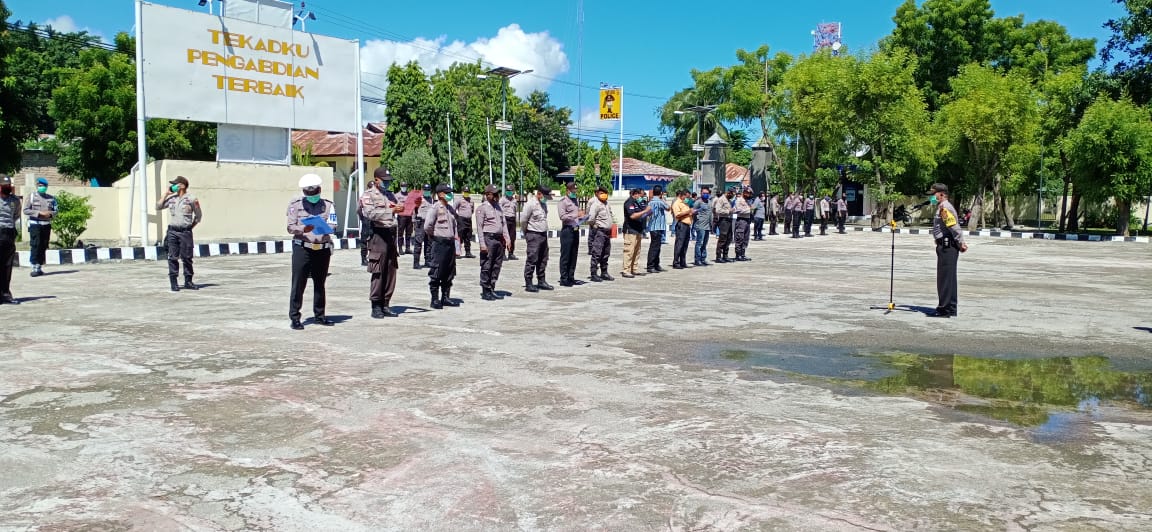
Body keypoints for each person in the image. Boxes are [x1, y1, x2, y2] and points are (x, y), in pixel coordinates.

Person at [286, 173, 337, 330]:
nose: (312, 196)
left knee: (320, 283)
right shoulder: (295, 205)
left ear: (319, 190)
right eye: (309, 193)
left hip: (321, 249)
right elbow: (290, 226)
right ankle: (295, 317)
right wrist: (303, 228)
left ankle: (320, 315)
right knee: (298, 283)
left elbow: (334, 224)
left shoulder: (328, 205)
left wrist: (325, 228)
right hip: (303, 247)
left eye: (314, 193)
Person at [361, 167, 403, 319]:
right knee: (378, 271)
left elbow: (398, 208)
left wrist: (403, 207)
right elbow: (370, 214)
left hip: (391, 234)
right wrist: (391, 211)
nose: (387, 183)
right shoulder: (368, 195)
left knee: (391, 271)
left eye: (389, 181)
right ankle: (376, 306)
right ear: (376, 180)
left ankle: (386, 303)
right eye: (384, 181)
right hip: (378, 235)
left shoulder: (390, 195)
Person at [157, 176, 203, 292]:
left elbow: (198, 216)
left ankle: (188, 281)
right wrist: (166, 194)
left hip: (185, 232)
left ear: (182, 185)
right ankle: (174, 282)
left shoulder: (192, 199)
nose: (173, 186)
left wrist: (189, 228)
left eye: (175, 184)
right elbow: (158, 207)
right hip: (172, 231)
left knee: (187, 258)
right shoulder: (172, 198)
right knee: (172, 257)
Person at [928, 183, 968, 318]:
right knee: (949, 278)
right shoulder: (942, 207)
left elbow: (953, 226)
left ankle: (944, 309)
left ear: (941, 194)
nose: (932, 197)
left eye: (933, 194)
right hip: (946, 245)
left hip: (947, 247)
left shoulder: (944, 207)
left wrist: (961, 242)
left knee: (944, 278)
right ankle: (951, 308)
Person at [424, 184, 460, 309]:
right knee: (436, 271)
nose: (450, 195)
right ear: (440, 194)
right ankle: (434, 299)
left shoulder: (450, 209)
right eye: (447, 192)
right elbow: (428, 226)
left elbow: (455, 227)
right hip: (439, 243)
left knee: (449, 272)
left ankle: (445, 298)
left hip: (450, 244)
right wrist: (434, 237)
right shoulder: (435, 208)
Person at [476, 185, 510, 300]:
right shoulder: (482, 208)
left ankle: (492, 288)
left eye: (497, 194)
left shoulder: (499, 208)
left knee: (496, 265)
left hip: (498, 239)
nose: (496, 196)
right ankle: (485, 290)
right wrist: (482, 244)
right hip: (488, 239)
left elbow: (504, 224)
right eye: (494, 194)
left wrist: (508, 239)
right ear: (488, 194)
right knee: (487, 265)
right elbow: (479, 228)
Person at [520, 184, 554, 292]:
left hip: (543, 234)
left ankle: (541, 280)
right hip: (533, 234)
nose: (546, 199)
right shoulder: (530, 204)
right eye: (545, 196)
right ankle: (528, 282)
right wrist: (527, 234)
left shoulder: (543, 204)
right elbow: (523, 221)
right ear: (539, 194)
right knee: (532, 259)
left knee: (543, 259)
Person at [23, 177, 57, 277]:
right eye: (39, 185)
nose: (41, 187)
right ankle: (34, 266)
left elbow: (56, 210)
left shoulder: (51, 198)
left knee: (43, 245)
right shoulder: (32, 197)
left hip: (46, 225)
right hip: (35, 225)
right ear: (37, 186)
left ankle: (40, 266)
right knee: (35, 244)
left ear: (46, 187)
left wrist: (50, 214)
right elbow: (26, 210)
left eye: (43, 186)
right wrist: (39, 213)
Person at [557, 181, 585, 287]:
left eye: (575, 191)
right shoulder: (562, 202)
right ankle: (564, 278)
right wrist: (575, 215)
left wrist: (582, 216)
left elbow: (576, 215)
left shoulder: (575, 201)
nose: (574, 193)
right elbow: (562, 216)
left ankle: (571, 276)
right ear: (568, 191)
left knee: (574, 255)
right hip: (567, 230)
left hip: (575, 229)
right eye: (573, 191)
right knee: (566, 255)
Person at [621, 188, 652, 278]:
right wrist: (645, 211)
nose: (641, 197)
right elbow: (633, 216)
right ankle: (626, 270)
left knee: (636, 251)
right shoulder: (629, 202)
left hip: (638, 230)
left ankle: (634, 269)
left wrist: (647, 211)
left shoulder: (637, 202)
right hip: (630, 230)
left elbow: (643, 211)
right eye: (640, 195)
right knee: (629, 251)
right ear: (635, 194)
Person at [586, 186, 615, 282]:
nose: (603, 195)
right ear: (597, 194)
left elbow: (610, 215)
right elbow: (590, 219)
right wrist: (595, 226)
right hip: (600, 231)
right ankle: (594, 273)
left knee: (606, 253)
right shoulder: (595, 204)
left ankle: (604, 272)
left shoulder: (607, 204)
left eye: (605, 193)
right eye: (601, 193)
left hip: (607, 232)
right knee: (597, 253)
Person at [0, 175, 21, 305]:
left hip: (9, 233)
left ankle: (5, 294)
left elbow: (16, 215)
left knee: (7, 265)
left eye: (8, 185)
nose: (7, 187)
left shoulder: (15, 200)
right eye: (4, 185)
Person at [645, 186, 669, 274]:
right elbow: (668, 208)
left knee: (656, 247)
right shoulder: (659, 201)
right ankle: (651, 265)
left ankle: (656, 264)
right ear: (661, 193)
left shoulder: (650, 202)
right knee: (654, 247)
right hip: (657, 227)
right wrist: (663, 199)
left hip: (652, 226)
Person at [670, 189, 694, 269]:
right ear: (682, 195)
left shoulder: (685, 203)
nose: (687, 198)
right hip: (681, 225)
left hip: (687, 225)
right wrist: (688, 212)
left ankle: (682, 261)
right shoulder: (677, 203)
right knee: (679, 244)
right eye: (686, 197)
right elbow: (677, 215)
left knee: (685, 244)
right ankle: (676, 262)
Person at [412, 184, 433, 269]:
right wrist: (414, 221)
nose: (427, 191)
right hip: (420, 223)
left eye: (428, 190)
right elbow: (413, 211)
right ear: (423, 190)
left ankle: (427, 261)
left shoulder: (431, 200)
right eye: (425, 190)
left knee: (429, 243)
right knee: (418, 243)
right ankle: (416, 263)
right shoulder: (419, 199)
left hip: (429, 224)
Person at [453, 187, 476, 258]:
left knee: (468, 236)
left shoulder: (471, 200)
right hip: (461, 220)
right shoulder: (459, 200)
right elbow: (453, 209)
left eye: (467, 192)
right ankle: (457, 252)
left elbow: (472, 210)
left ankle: (468, 252)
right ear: (462, 192)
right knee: (460, 236)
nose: (466, 193)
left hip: (469, 220)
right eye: (465, 192)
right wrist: (457, 217)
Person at [713, 187, 734, 262]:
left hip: (729, 220)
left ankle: (725, 255)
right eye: (732, 194)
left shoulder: (729, 200)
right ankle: (718, 256)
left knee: (729, 238)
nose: (732, 195)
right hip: (723, 220)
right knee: (723, 238)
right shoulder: (721, 199)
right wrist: (728, 211)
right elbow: (718, 210)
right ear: (728, 192)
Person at [693, 187, 713, 266]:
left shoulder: (709, 202)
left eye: (707, 193)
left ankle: (703, 258)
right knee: (699, 243)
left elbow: (711, 213)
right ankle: (697, 259)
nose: (706, 195)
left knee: (705, 243)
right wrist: (699, 210)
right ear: (701, 193)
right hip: (700, 225)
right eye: (704, 193)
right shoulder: (698, 202)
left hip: (707, 226)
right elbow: (692, 212)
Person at [732, 187, 753, 261]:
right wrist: (749, 209)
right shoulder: (739, 200)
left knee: (745, 238)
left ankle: (743, 254)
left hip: (747, 220)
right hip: (741, 220)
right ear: (744, 192)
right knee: (739, 237)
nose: (749, 195)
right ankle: (738, 255)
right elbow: (738, 210)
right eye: (748, 193)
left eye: (750, 194)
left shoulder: (748, 201)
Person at [357, 176, 374, 266]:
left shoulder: (363, 195)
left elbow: (359, 210)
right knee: (368, 240)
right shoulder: (377, 195)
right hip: (370, 220)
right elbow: (359, 209)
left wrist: (362, 218)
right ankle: (365, 259)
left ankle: (365, 259)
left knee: (367, 240)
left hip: (368, 220)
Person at [500, 185, 519, 260]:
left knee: (512, 237)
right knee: (504, 237)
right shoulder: (502, 200)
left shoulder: (514, 200)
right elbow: (499, 210)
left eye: (511, 191)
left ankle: (511, 253)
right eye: (508, 191)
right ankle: (502, 253)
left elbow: (515, 210)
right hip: (505, 220)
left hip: (512, 220)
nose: (509, 192)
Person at [397, 182, 417, 254]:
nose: (404, 187)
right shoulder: (397, 195)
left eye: (405, 186)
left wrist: (414, 217)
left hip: (409, 216)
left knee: (409, 233)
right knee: (400, 233)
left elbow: (413, 207)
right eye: (402, 186)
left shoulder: (410, 195)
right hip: (401, 216)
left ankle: (407, 248)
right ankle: (400, 248)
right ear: (400, 186)